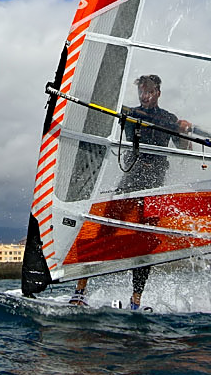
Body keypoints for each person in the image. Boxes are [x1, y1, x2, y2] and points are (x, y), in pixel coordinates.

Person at [70, 74, 192, 310]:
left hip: (155, 183)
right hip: (130, 179)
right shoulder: (130, 114)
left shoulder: (168, 119)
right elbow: (102, 119)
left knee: (144, 241)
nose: (144, 96)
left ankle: (136, 301)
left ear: (158, 92)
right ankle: (80, 290)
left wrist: (184, 131)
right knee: (103, 229)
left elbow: (186, 150)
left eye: (149, 91)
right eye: (141, 92)